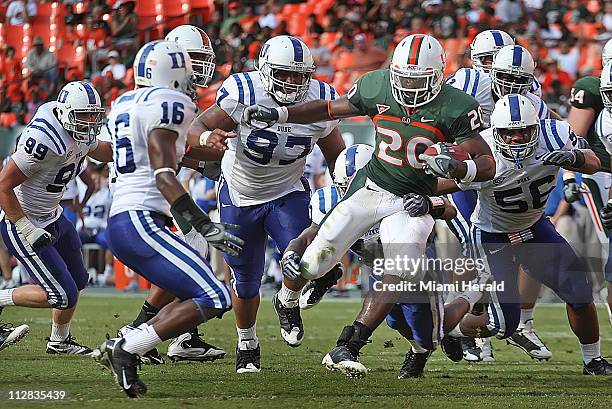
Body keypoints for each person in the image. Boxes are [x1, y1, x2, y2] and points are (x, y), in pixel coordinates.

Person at [243, 34, 497, 377]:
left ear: (438, 75)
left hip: (410, 203)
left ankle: (350, 344)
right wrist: (282, 113)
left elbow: (487, 162)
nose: (409, 87)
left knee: (401, 268)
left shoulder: (455, 106)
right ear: (392, 73)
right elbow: (329, 109)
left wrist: (460, 168)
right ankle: (287, 300)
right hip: (372, 187)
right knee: (317, 262)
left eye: (418, 80)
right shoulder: (377, 86)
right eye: (404, 79)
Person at [187, 35, 346, 373]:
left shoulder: (321, 98)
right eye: (283, 73)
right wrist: (206, 138)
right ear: (264, 69)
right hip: (240, 194)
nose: (291, 81)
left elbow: (336, 155)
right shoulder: (244, 92)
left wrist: (344, 193)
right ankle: (247, 343)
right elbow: (197, 126)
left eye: (298, 74)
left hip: (288, 190)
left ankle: (287, 301)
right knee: (245, 281)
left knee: (307, 254)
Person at [93, 40, 242, 398]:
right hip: (141, 219)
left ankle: (128, 342)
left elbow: (158, 154)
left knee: (186, 288)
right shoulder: (170, 102)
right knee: (214, 295)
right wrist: (202, 223)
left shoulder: (125, 103)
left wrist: (204, 142)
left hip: (128, 217)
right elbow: (162, 172)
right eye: (187, 73)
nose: (192, 81)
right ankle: (128, 347)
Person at [438, 94, 612, 375]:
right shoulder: (481, 149)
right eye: (509, 133)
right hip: (493, 237)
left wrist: (575, 157)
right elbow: (441, 185)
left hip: (535, 227)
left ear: (537, 126)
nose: (517, 138)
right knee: (504, 325)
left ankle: (592, 360)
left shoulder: (555, 135)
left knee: (579, 292)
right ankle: (456, 330)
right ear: (496, 132)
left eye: (524, 131)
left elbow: (593, 161)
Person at [294, 144, 457, 378]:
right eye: (346, 187)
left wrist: (429, 204)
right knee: (395, 322)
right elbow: (317, 236)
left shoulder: (398, 188)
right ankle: (415, 347)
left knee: (429, 333)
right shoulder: (330, 201)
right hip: (379, 269)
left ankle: (451, 326)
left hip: (417, 270)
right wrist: (303, 262)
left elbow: (450, 209)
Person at [116, 25, 227, 365]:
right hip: (153, 196)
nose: (200, 66)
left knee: (192, 258)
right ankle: (138, 335)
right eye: (193, 59)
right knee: (193, 258)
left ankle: (176, 336)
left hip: (155, 195)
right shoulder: (167, 100)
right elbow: (165, 157)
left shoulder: (154, 98)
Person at [447, 38, 556, 361]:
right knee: (472, 245)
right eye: (485, 59)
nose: (492, 68)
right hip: (474, 175)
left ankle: (522, 321)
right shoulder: (468, 82)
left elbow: (547, 134)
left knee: (535, 248)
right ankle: (473, 328)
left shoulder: (532, 99)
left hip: (512, 180)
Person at [0, 81, 113, 355]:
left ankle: (59, 342)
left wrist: (136, 147)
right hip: (23, 219)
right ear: (65, 114)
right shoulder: (44, 139)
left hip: (53, 215)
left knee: (78, 280)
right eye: (82, 115)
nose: (88, 122)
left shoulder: (80, 130)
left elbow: (105, 151)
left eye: (93, 115)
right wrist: (26, 227)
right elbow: (3, 185)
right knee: (61, 295)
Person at [565, 39, 612, 324]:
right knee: (609, 240)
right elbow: (571, 140)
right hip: (599, 174)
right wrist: (569, 176)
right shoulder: (593, 90)